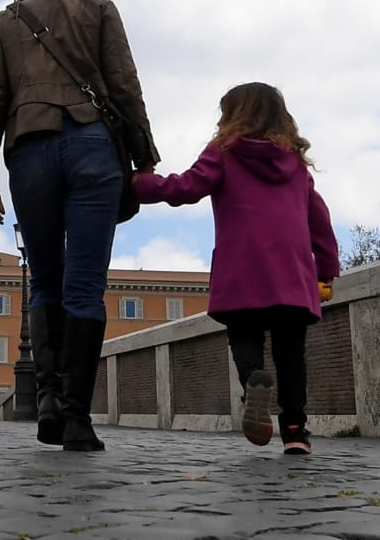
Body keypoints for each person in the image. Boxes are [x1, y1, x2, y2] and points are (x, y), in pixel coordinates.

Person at [0, 0, 158, 451]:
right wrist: (145, 158)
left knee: (45, 281)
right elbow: (124, 83)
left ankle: (49, 400)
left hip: (29, 150)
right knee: (85, 284)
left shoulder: (7, 20)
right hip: (92, 146)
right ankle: (77, 418)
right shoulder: (99, 11)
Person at [132, 82, 340, 455]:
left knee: (245, 338)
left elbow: (187, 187)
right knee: (291, 355)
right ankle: (295, 432)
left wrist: (140, 185)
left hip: (241, 270)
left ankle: (253, 382)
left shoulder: (224, 153)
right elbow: (318, 219)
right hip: (292, 274)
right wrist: (326, 269)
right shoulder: (294, 163)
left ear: (232, 115)